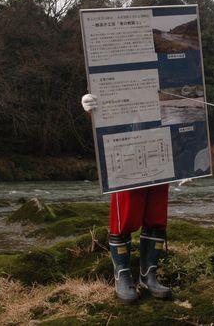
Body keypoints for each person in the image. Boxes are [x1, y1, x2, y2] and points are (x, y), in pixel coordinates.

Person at [81, 94, 173, 304]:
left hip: (161, 146)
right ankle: (122, 275)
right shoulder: (115, 61)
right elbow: (107, 93)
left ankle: (148, 275)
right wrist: (91, 109)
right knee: (125, 215)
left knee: (157, 215)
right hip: (126, 151)